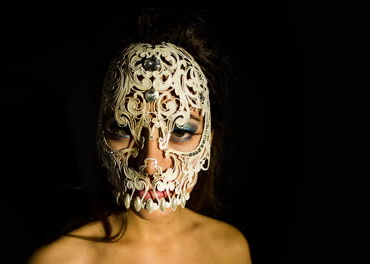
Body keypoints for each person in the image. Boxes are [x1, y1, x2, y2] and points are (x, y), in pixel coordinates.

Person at [29, 9, 251, 264]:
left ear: (208, 140)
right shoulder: (59, 260)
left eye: (180, 131)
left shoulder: (230, 248)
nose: (150, 163)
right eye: (124, 129)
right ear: (99, 135)